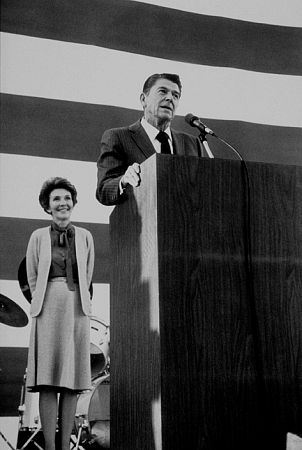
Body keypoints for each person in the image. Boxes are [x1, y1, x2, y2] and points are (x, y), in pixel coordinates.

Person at [25, 177, 95, 450]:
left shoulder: (86, 236)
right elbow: (31, 275)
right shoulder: (37, 237)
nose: (62, 202)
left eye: (67, 198)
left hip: (77, 309)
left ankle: (66, 447)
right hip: (47, 309)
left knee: (70, 384)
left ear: (73, 203)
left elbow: (88, 276)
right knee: (47, 382)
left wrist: (80, 302)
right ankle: (51, 447)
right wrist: (43, 301)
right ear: (47, 206)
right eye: (56, 199)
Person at [96, 73, 202, 205]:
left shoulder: (192, 143)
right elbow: (103, 191)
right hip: (143, 223)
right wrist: (124, 180)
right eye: (163, 92)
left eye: (176, 95)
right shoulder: (118, 137)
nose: (170, 98)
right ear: (143, 99)